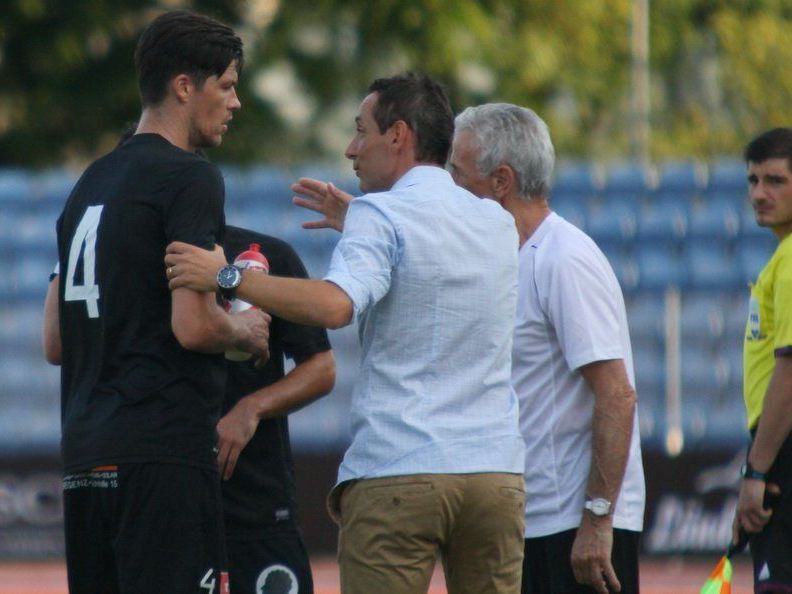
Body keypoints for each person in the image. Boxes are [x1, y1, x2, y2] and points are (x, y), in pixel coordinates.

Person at [165, 72, 527, 594]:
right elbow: (435, 257)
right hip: (495, 474)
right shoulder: (495, 222)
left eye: (362, 130)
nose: (351, 148)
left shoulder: (381, 214)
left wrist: (227, 276)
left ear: (399, 135)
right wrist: (359, 220)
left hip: (403, 466)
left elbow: (336, 306)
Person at [290, 103, 646, 594]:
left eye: (456, 171)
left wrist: (598, 519)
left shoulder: (565, 260)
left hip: (572, 519)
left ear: (501, 181)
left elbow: (617, 394)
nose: (445, 181)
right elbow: (426, 246)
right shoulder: (498, 250)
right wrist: (365, 220)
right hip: (526, 510)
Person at [43, 10, 270, 594]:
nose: (236, 102)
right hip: (161, 455)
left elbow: (55, 342)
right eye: (227, 84)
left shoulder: (88, 182)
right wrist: (244, 335)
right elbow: (193, 327)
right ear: (184, 86)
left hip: (85, 458)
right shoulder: (190, 178)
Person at [219, 225, 335, 594]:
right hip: (168, 492)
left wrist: (252, 407)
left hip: (256, 492)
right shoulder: (139, 256)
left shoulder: (267, 254)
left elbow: (321, 368)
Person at [731, 127, 792, 593]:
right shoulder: (780, 258)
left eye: (775, 180)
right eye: (753, 181)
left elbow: (789, 373)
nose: (759, 194)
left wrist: (756, 469)